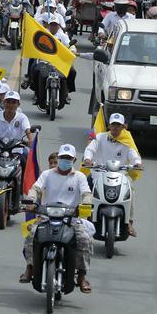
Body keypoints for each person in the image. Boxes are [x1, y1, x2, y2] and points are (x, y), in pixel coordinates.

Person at [19, 144, 93, 293]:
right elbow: (35, 189)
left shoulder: (79, 176)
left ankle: (81, 276)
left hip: (70, 220)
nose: (65, 160)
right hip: (46, 217)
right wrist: (31, 201)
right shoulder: (47, 174)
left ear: (74, 159)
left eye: (68, 158)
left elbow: (86, 193)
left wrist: (86, 203)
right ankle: (30, 268)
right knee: (31, 235)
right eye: (62, 157)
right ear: (58, 158)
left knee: (85, 239)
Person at [83, 113, 143, 237]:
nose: (115, 128)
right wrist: (87, 159)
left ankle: (129, 222)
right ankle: (84, 221)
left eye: (118, 125)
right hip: (99, 174)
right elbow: (90, 149)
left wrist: (137, 163)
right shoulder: (100, 137)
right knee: (85, 190)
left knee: (131, 190)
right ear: (109, 125)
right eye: (113, 125)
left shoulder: (127, 141)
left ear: (123, 127)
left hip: (120, 175)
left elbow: (134, 155)